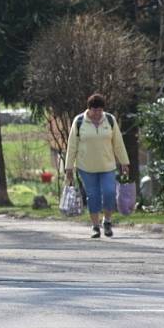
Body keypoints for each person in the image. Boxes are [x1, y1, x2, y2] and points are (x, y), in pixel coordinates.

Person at [65, 93, 130, 238]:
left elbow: (118, 143)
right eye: (95, 110)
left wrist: (124, 162)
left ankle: (107, 221)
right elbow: (72, 146)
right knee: (92, 196)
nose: (97, 114)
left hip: (107, 166)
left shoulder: (110, 120)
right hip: (86, 167)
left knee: (109, 193)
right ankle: (95, 226)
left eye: (100, 110)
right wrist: (68, 167)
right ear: (89, 109)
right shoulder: (79, 121)